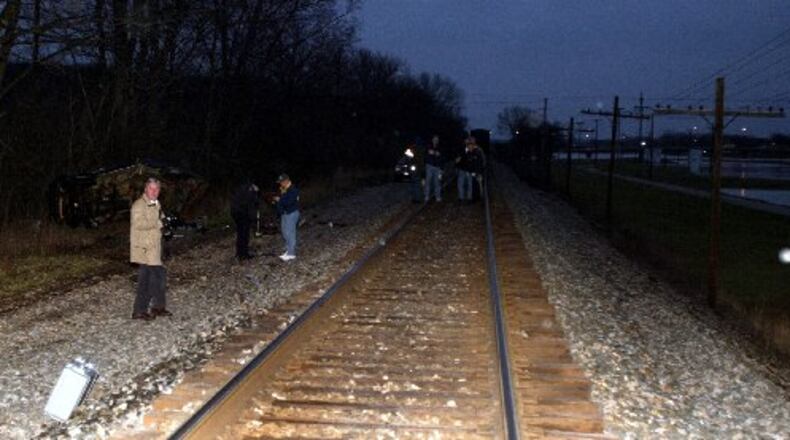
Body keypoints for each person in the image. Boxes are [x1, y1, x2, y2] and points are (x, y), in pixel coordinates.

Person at [130, 177, 171, 320]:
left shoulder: (156, 204)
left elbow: (160, 219)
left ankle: (156, 307)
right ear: (146, 189)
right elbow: (138, 223)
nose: (154, 192)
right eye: (151, 189)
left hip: (154, 247)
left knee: (155, 277)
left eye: (157, 189)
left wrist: (166, 223)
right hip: (145, 249)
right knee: (150, 279)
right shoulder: (139, 205)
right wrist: (157, 223)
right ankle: (143, 310)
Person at [273, 174, 300, 261]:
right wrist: (276, 202)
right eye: (280, 182)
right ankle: (288, 250)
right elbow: (281, 202)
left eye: (281, 182)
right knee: (284, 232)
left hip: (292, 213)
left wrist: (279, 200)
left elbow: (289, 201)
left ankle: (291, 253)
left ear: (286, 181)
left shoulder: (293, 189)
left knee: (290, 233)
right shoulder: (283, 190)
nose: (280, 184)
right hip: (284, 214)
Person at [230, 180, 259, 260]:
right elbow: (251, 205)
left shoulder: (242, 188)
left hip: (236, 213)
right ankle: (244, 254)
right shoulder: (250, 190)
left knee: (240, 234)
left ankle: (239, 253)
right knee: (244, 235)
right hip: (242, 214)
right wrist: (253, 219)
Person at [424, 135, 443, 202]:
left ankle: (438, 196)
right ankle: (426, 196)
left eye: (437, 139)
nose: (435, 140)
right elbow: (426, 154)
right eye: (434, 139)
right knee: (428, 182)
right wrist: (433, 153)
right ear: (432, 139)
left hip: (437, 167)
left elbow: (442, 158)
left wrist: (441, 169)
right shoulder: (428, 146)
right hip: (429, 166)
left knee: (437, 182)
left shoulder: (440, 147)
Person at [455, 138, 474, 203]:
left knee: (469, 184)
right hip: (462, 169)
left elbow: (472, 160)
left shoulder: (472, 150)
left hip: (469, 170)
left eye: (467, 141)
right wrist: (457, 162)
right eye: (465, 141)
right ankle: (461, 198)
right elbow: (457, 159)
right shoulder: (461, 149)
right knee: (460, 184)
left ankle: (469, 198)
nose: (466, 142)